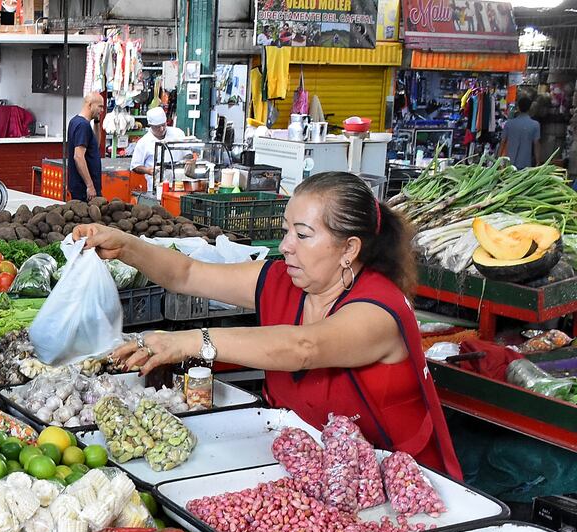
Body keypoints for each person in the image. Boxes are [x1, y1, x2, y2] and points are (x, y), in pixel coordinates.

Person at [79, 171, 461, 478]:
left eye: (303, 235)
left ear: (349, 249)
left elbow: (302, 348)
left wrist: (191, 341)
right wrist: (125, 245)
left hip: (398, 483)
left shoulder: (379, 309)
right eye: (286, 230)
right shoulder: (283, 280)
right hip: (312, 471)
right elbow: (187, 272)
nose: (285, 246)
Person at [66, 92, 105, 201]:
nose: (102, 110)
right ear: (89, 105)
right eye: (100, 106)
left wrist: (97, 122)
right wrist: (90, 186)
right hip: (84, 189)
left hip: (82, 187)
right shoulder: (83, 125)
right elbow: (78, 157)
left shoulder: (76, 122)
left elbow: (96, 145)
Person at [130, 106, 187, 175]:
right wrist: (147, 170)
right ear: (150, 125)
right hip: (156, 182)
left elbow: (187, 153)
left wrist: (188, 161)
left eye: (163, 125)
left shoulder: (178, 133)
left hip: (178, 180)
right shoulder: (144, 142)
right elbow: (135, 166)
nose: (162, 129)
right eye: (157, 127)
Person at [500, 95, 542, 170]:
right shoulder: (535, 125)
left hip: (509, 162)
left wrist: (498, 159)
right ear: (530, 108)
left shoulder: (509, 124)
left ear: (518, 108)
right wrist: (538, 161)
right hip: (525, 163)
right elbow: (536, 144)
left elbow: (502, 142)